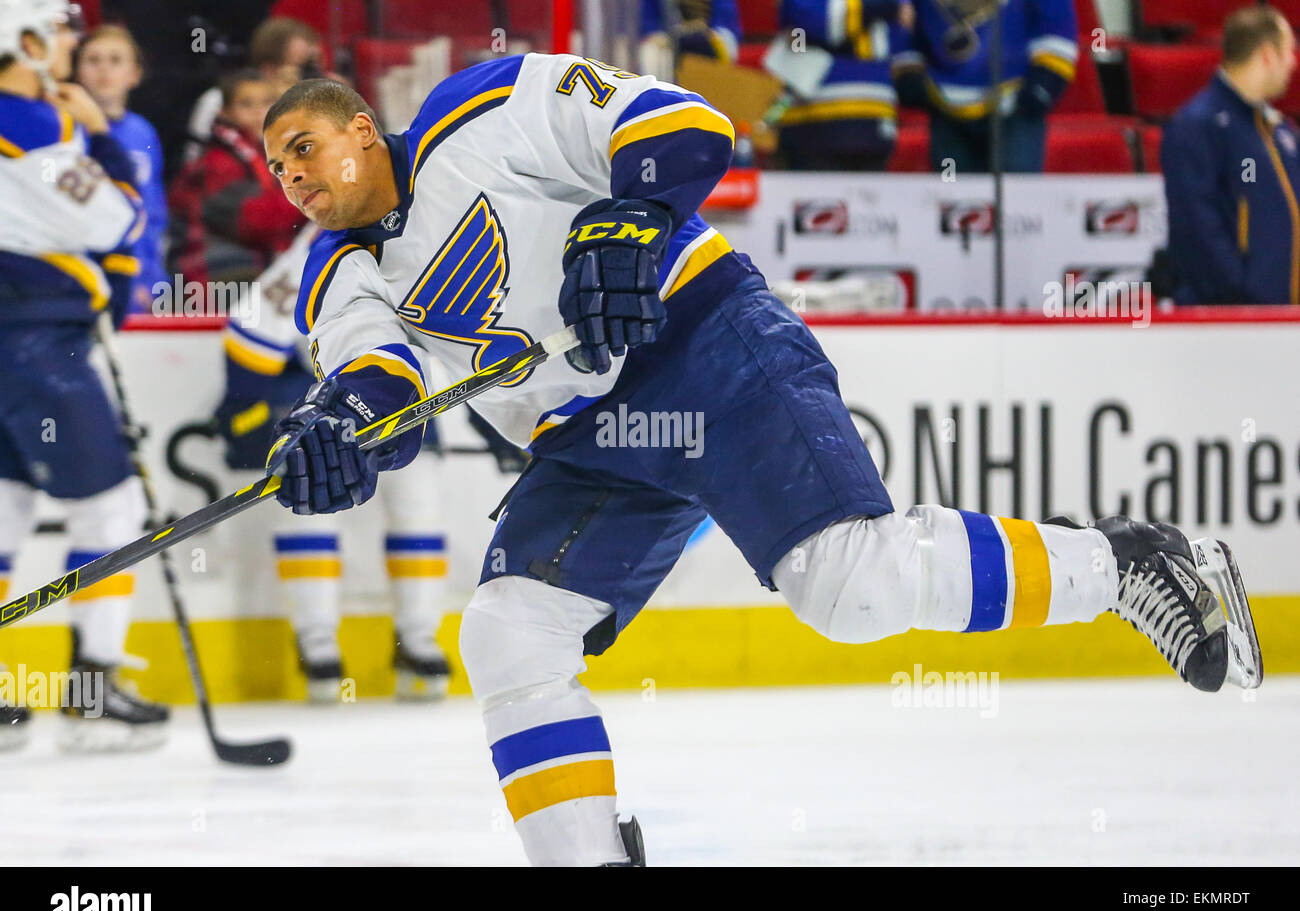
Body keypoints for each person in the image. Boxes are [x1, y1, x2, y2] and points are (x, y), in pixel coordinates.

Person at [258, 56, 1261, 866]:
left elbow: (678, 125)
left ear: (360, 128)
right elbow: (375, 377)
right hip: (589, 435)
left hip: (702, 339)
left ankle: (1124, 561)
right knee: (510, 628)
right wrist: (337, 431)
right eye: (277, 168)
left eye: (305, 147)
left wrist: (625, 218)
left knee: (848, 583)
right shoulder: (335, 272)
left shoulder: (475, 109)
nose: (294, 177)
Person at [0, 0, 167, 753]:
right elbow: (119, 219)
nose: (69, 42)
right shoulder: (31, 123)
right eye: (59, 30)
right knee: (112, 507)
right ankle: (93, 690)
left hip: (21, 333)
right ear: (24, 39)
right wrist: (100, 132)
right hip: (38, 338)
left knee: (5, 507)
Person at [214, 222, 459, 703]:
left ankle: (419, 637)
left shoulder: (442, 216)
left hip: (403, 393)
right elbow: (258, 323)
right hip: (323, 392)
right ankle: (317, 639)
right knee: (309, 492)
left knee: (420, 502)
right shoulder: (336, 231)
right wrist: (242, 405)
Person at [1162, 5, 1300, 305]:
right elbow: (1197, 228)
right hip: (1225, 323)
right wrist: (1243, 293)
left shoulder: (1280, 132)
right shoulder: (1197, 126)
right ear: (1266, 54)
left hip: (1280, 320)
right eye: (1289, 52)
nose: (1293, 63)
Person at [892, 0, 1077, 173]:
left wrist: (1045, 80)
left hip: (1016, 107)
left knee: (1017, 198)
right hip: (944, 107)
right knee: (953, 198)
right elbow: (903, 20)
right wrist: (907, 68)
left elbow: (1057, 22)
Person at [169, 68, 302, 285]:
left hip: (245, 270)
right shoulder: (217, 161)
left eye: (266, 102)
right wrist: (309, 197)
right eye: (246, 104)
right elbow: (254, 220)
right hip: (212, 278)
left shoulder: (267, 153)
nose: (259, 112)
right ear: (225, 112)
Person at [74, 23, 167, 314]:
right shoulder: (66, 130)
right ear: (76, 70)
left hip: (140, 279)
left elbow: (152, 213)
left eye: (115, 60)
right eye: (93, 60)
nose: (104, 70)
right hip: (84, 275)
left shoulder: (143, 132)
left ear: (135, 73)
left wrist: (151, 280)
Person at [773, 1, 915, 170]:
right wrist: (884, 7)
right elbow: (813, 19)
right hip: (813, 117)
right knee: (816, 191)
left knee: (870, 193)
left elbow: (904, 34)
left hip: (876, 116)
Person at [184, 16, 333, 165]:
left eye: (312, 68)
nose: (310, 77)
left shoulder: (314, 104)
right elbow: (195, 163)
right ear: (269, 68)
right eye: (302, 67)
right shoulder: (218, 99)